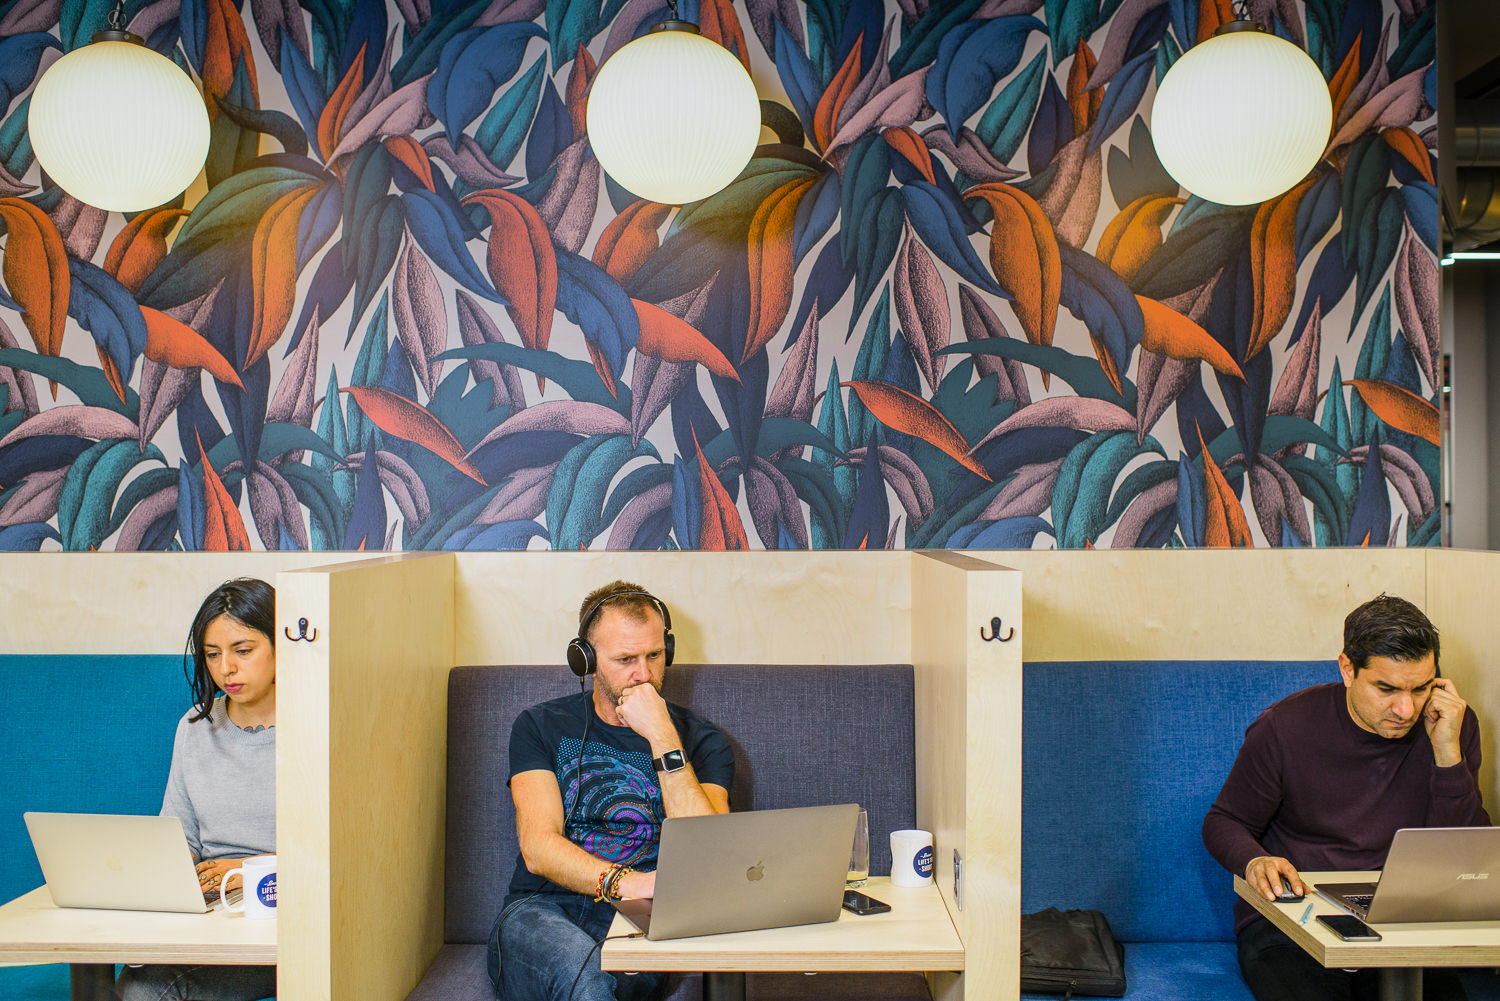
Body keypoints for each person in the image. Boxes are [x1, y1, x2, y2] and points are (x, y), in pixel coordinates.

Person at [1203, 594, 1489, 1001]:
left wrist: (1447, 753)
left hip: (1405, 917)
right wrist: (1255, 860)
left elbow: (1464, 856)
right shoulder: (1284, 727)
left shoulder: (1451, 724)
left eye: (1421, 688)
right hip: (1293, 918)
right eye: (1386, 688)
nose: (1406, 710)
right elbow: (1225, 821)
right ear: (1348, 669)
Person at [489, 581, 734, 1001]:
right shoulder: (539, 726)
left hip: (640, 917)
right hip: (541, 908)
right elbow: (538, 846)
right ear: (585, 659)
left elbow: (709, 854)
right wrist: (627, 882)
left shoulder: (701, 740)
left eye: (654, 655)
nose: (644, 675)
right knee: (584, 974)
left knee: (598, 984)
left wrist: (662, 736)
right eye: (625, 659)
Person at [116, 578, 278, 1001]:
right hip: (211, 914)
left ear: (280, 645)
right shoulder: (194, 728)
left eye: (243, 650)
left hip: (283, 915)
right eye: (212, 654)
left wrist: (252, 870)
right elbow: (180, 837)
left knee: (146, 989)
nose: (226, 668)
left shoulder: (323, 722)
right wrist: (170, 875)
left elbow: (343, 855)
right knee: (139, 975)